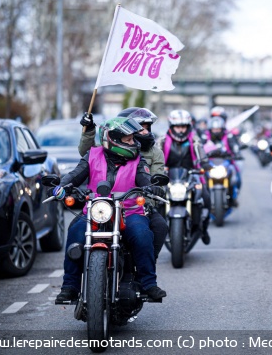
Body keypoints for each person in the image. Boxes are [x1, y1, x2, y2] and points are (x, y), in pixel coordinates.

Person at [55, 117, 166, 302]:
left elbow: (145, 178)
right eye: (128, 140)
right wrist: (61, 186)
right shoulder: (92, 155)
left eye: (133, 139)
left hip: (129, 212)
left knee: (142, 234)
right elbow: (75, 175)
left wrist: (152, 187)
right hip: (96, 212)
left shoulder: (137, 160)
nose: (133, 142)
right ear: (113, 140)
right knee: (75, 231)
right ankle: (70, 286)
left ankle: (148, 284)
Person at [79, 108, 168, 261]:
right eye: (141, 128)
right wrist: (89, 130)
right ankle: (76, 275)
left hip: (136, 206)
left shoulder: (155, 153)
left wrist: (147, 203)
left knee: (160, 226)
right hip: (103, 205)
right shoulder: (107, 149)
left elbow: (153, 180)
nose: (145, 132)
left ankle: (145, 265)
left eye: (147, 128)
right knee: (76, 231)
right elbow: (88, 152)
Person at [162, 109, 212, 245]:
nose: (181, 130)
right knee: (155, 203)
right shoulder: (162, 141)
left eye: (183, 126)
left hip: (191, 176)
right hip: (168, 178)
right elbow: (156, 158)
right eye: (178, 126)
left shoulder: (194, 140)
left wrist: (205, 164)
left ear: (188, 127)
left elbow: (201, 154)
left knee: (206, 198)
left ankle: (204, 229)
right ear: (171, 126)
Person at [205, 116, 243, 207]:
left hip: (226, 163)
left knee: (237, 178)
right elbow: (198, 148)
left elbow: (235, 147)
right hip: (209, 164)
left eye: (218, 129)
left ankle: (234, 197)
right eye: (214, 129)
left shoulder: (229, 137)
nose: (216, 131)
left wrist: (237, 154)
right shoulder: (204, 138)